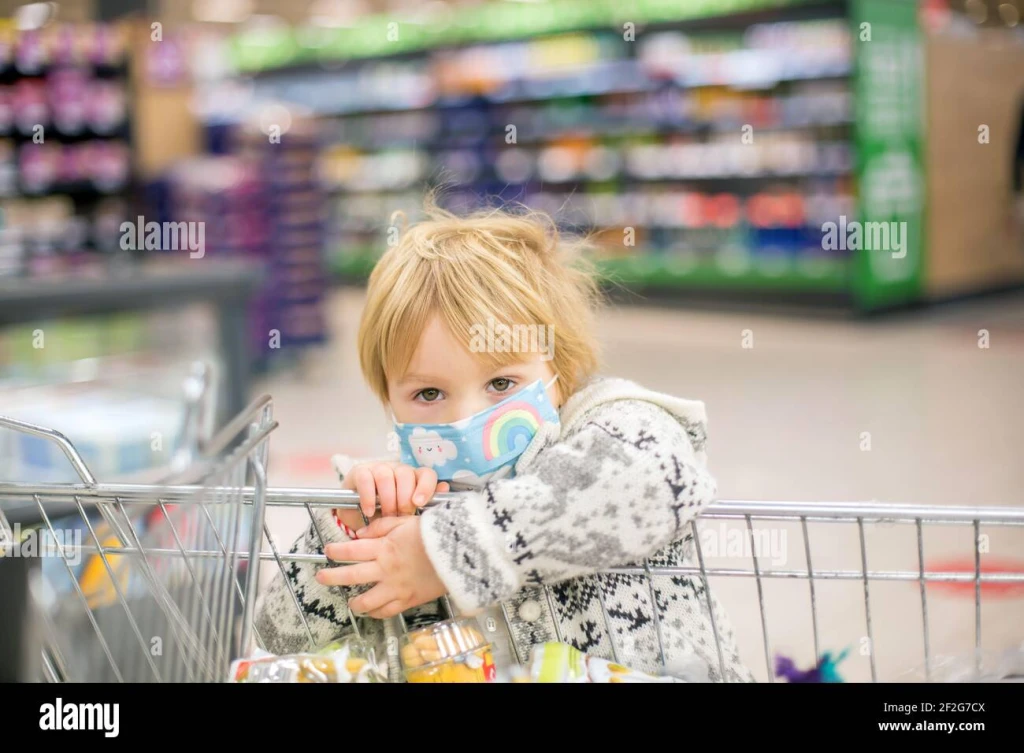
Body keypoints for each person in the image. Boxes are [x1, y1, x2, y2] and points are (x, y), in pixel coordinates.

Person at [253, 195, 754, 683]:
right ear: (388, 399)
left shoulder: (613, 424)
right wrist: (349, 527)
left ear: (562, 367)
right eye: (428, 392)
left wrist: (442, 555)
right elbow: (279, 635)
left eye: (501, 384)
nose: (467, 416)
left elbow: (655, 481)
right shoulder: (403, 498)